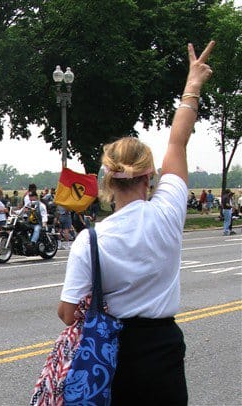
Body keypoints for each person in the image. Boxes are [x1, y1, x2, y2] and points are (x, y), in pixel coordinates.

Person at [57, 41, 215, 404]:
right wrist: (192, 85)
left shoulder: (90, 241)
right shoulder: (169, 211)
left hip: (114, 352)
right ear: (150, 178)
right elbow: (178, 140)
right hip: (163, 347)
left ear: (107, 181)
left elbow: (68, 314)